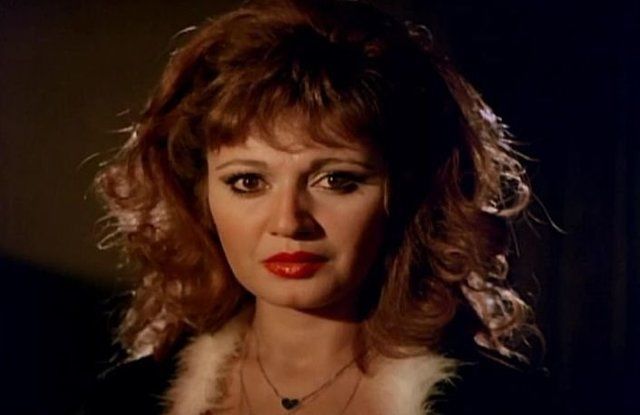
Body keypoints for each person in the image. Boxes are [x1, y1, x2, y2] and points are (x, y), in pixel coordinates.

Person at [85, 0, 548, 414]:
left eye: (336, 180)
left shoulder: (500, 404)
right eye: (248, 182)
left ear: (405, 193)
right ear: (200, 196)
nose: (289, 222)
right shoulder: (126, 402)